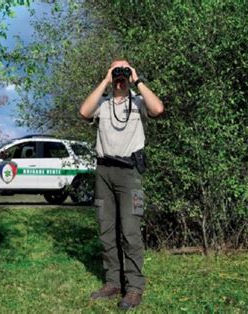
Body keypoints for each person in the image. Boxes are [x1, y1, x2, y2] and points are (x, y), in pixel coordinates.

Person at [79, 60, 163, 309]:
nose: (120, 78)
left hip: (129, 174)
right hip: (104, 171)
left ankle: (134, 287)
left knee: (130, 230)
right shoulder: (103, 105)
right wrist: (105, 80)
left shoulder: (138, 102)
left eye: (123, 73)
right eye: (117, 73)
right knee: (106, 230)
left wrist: (137, 79)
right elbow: (84, 112)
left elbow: (158, 109)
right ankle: (113, 282)